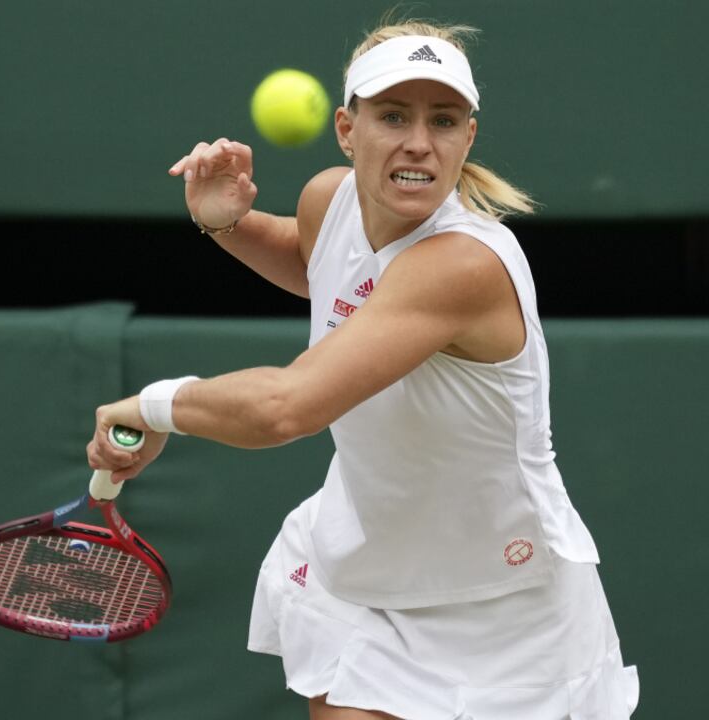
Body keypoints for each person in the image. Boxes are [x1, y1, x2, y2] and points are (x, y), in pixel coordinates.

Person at [88, 19, 639, 720]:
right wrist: (231, 224)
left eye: (443, 120)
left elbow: (285, 407)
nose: (419, 142)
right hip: (367, 560)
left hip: (507, 605)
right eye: (393, 116)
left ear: (468, 136)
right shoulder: (330, 199)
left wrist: (152, 405)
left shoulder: (461, 265)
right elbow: (319, 264)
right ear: (347, 130)